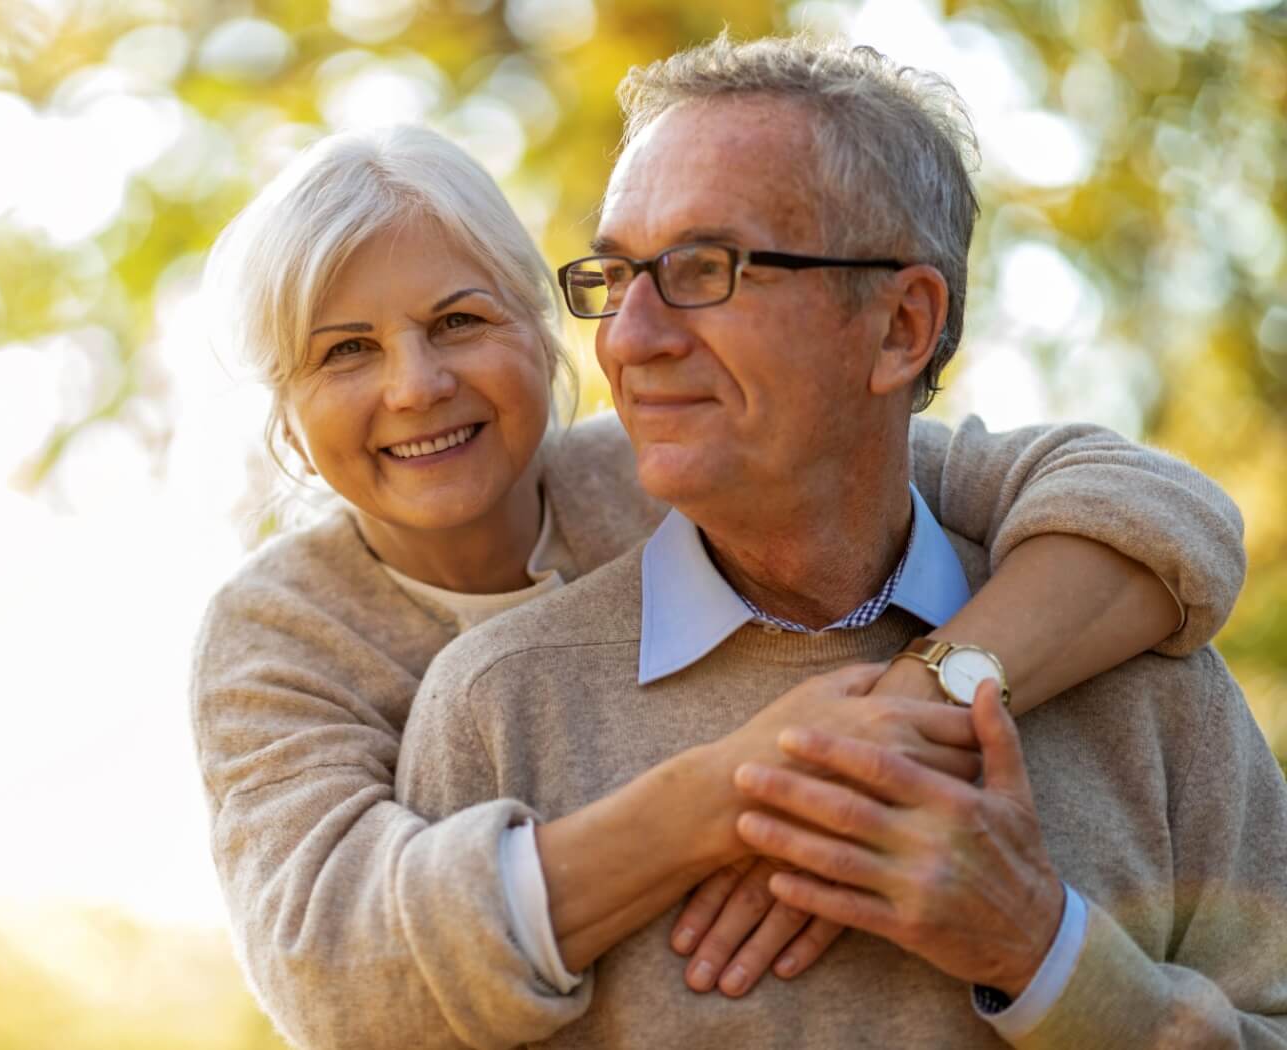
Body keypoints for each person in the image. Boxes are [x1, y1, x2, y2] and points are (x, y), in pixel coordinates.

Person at [190, 123, 1249, 1050]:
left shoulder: (678, 463)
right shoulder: (280, 636)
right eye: (344, 351)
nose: (415, 386)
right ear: (286, 406)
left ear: (541, 327)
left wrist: (917, 706)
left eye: (460, 322)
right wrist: (742, 791)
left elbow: (1146, 506)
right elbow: (340, 972)